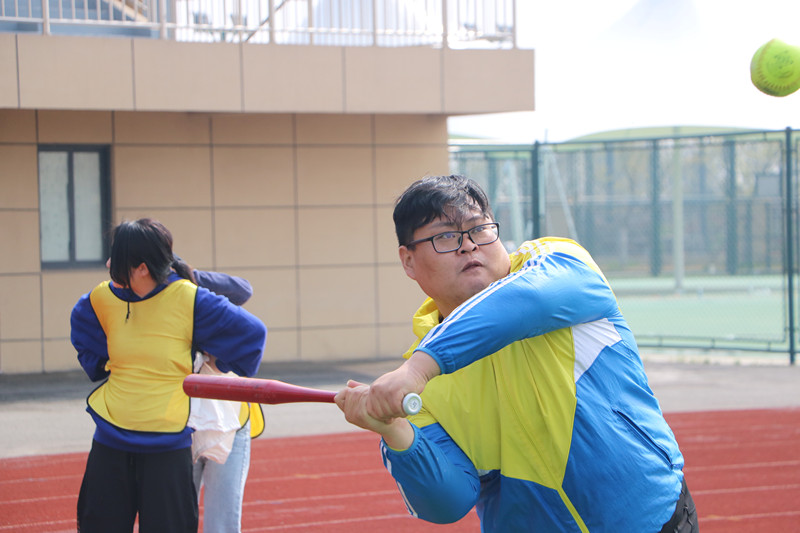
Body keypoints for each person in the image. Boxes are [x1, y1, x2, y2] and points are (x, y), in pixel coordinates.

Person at [334, 175, 698, 532]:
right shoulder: (420, 389)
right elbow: (448, 502)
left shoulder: (558, 261)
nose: (468, 245)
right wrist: (395, 430)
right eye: (445, 236)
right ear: (408, 261)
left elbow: (531, 298)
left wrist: (421, 366)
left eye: (479, 229)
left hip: (655, 520)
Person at [70, 218, 267, 533]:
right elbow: (82, 329)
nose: (109, 266)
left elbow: (252, 333)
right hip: (110, 441)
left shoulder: (189, 298)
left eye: (117, 261)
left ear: (142, 268)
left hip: (166, 447)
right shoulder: (101, 299)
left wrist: (214, 361)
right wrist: (108, 364)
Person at [173, 258, 265, 533]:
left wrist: (189, 277)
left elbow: (243, 289)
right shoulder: (157, 309)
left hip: (229, 423)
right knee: (176, 519)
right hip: (180, 424)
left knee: (222, 524)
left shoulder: (205, 304)